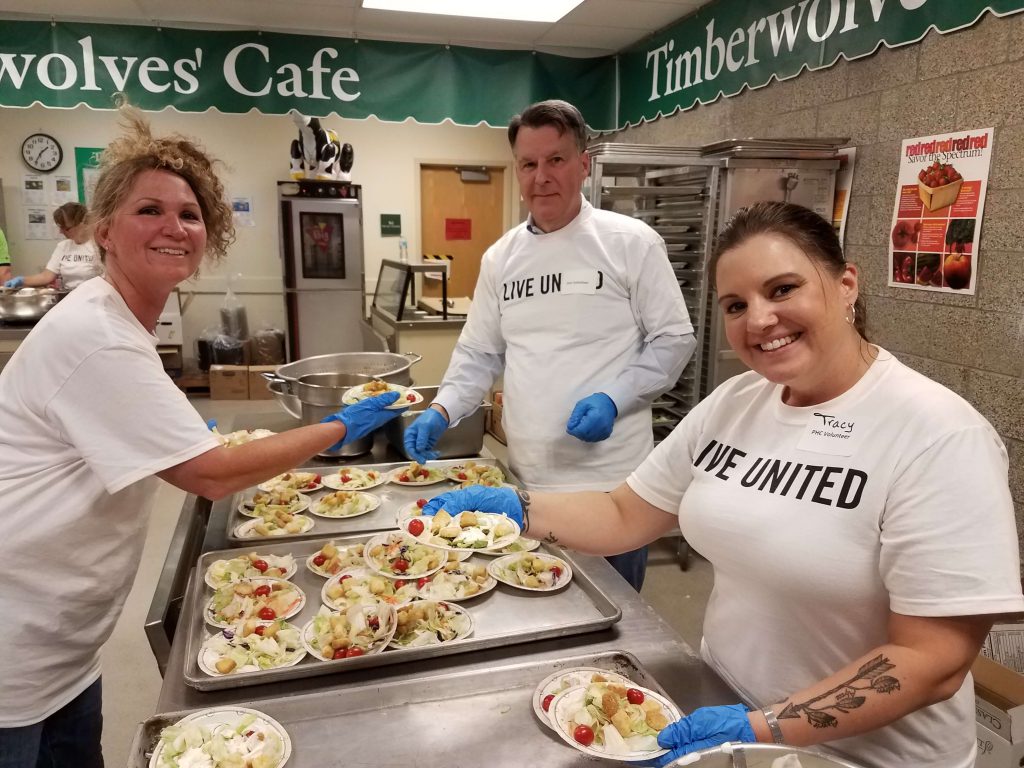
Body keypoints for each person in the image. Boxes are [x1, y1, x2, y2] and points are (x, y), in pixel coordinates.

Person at [420, 201, 1024, 768]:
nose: (759, 319)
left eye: (783, 289)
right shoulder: (737, 403)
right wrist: (514, 510)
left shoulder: (938, 435)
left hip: (857, 757)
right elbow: (623, 514)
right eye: (735, 305)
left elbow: (931, 660)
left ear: (845, 286)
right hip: (720, 705)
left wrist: (764, 727)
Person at [0, 110, 403, 767]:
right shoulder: (95, 334)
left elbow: (165, 443)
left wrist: (193, 439)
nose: (173, 227)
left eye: (189, 215)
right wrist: (335, 425)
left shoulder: (119, 325)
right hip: (11, 648)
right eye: (149, 210)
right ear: (104, 230)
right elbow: (212, 475)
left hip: (61, 649)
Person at [403, 99, 696, 591]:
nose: (542, 176)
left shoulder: (630, 243)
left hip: (612, 486)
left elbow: (674, 339)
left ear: (584, 163)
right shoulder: (502, 258)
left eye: (556, 159)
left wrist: (615, 398)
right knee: (535, 601)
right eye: (529, 163)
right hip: (527, 479)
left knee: (613, 609)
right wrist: (442, 409)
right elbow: (480, 353)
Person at [4, 203, 102, 290]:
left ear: (82, 224)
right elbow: (46, 276)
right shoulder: (63, 246)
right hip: (70, 298)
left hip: (94, 298)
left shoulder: (98, 246)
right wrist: (22, 280)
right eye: (60, 227)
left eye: (65, 228)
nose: (60, 231)